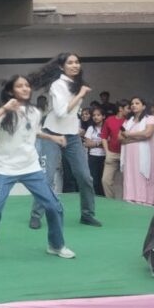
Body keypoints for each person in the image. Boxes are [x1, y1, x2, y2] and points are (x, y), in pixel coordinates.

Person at [0, 76, 75, 261]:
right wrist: (4, 109)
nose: (25, 88)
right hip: (6, 169)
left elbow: (34, 131)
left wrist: (53, 138)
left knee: (54, 206)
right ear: (11, 91)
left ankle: (56, 245)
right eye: (20, 86)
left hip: (31, 167)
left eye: (27, 85)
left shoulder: (34, 112)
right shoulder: (2, 113)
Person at [27, 53, 102, 229]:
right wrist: (81, 93)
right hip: (52, 134)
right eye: (70, 63)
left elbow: (73, 113)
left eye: (77, 62)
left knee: (85, 177)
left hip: (72, 137)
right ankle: (36, 215)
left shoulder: (77, 84)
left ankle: (87, 215)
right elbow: (61, 112)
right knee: (47, 177)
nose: (75, 65)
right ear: (62, 67)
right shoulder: (57, 85)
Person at [120, 97, 154, 205]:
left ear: (144, 106)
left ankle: (146, 200)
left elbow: (147, 133)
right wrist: (138, 138)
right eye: (132, 103)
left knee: (143, 175)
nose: (133, 105)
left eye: (137, 103)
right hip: (129, 156)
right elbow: (120, 138)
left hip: (145, 155)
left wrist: (129, 135)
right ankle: (131, 197)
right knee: (130, 175)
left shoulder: (150, 118)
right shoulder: (128, 121)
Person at [100, 99, 130, 199]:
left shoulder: (130, 121)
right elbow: (103, 137)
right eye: (128, 108)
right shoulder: (109, 120)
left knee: (126, 182)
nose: (130, 110)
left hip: (126, 155)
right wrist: (107, 152)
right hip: (112, 154)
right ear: (121, 109)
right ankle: (110, 201)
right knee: (105, 180)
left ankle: (124, 202)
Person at [83, 108, 106, 196]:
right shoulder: (91, 128)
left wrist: (94, 143)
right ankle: (96, 197)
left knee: (103, 180)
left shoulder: (106, 127)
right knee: (94, 180)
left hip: (105, 156)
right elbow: (87, 143)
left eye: (98, 115)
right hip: (93, 156)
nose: (96, 117)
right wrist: (100, 143)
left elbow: (109, 142)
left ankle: (103, 198)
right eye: (94, 115)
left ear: (103, 116)